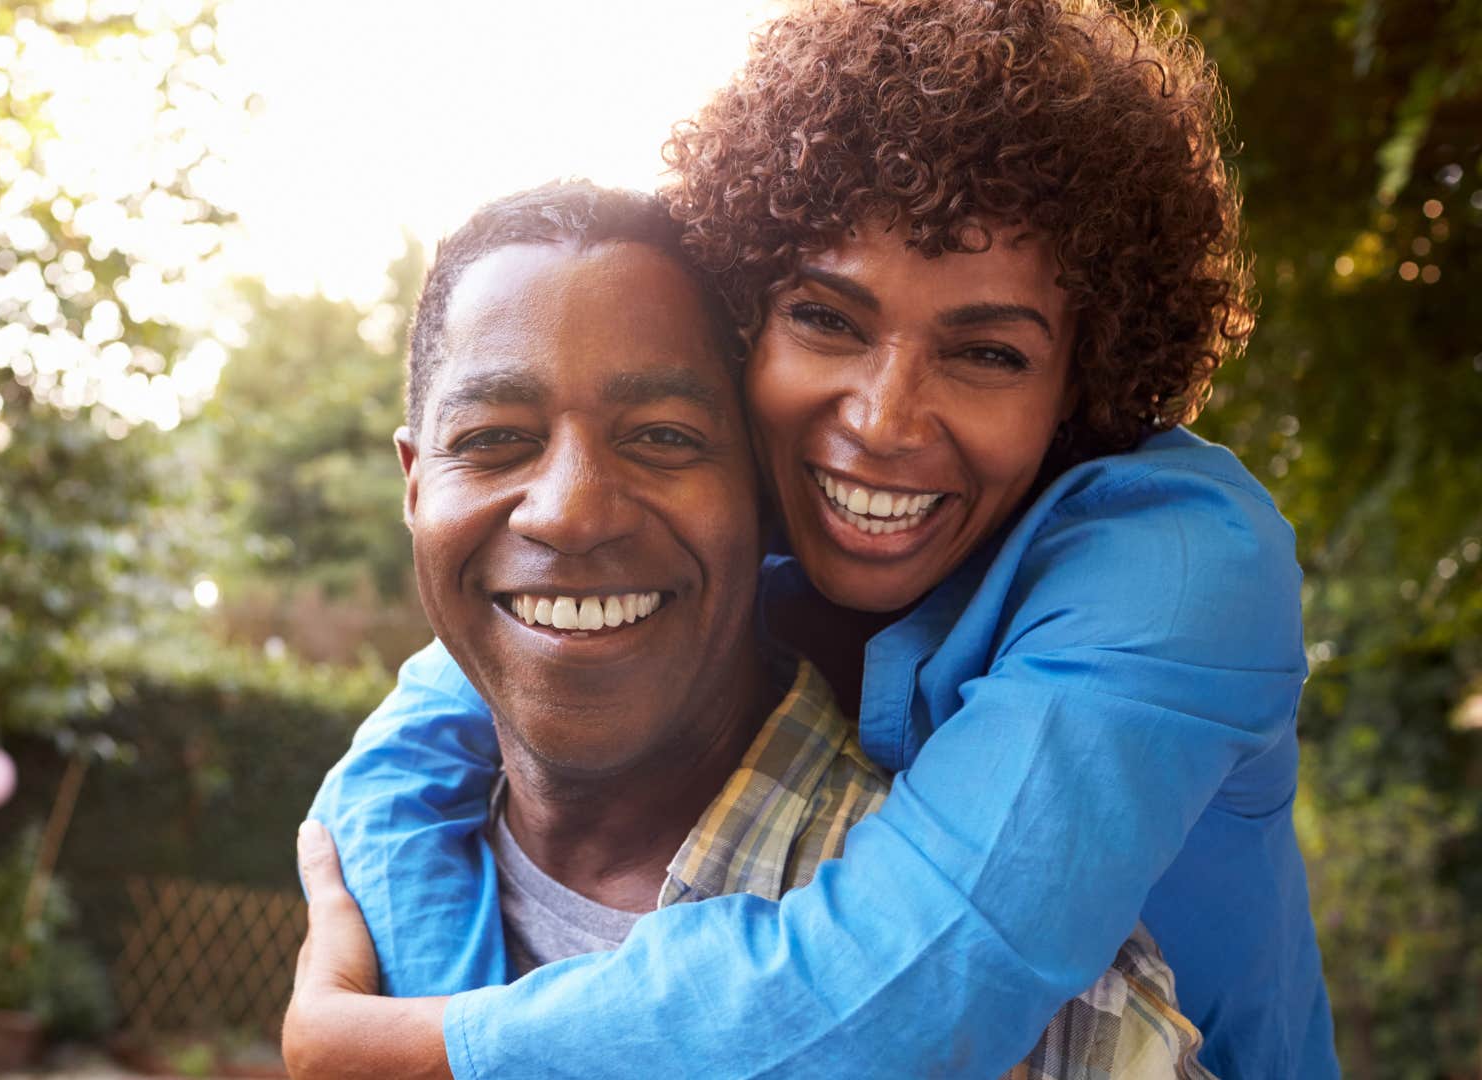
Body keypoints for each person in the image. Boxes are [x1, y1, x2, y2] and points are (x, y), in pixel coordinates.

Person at [289, 1, 1335, 1077]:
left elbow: (912, 983)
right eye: (827, 320)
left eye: (986, 353)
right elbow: (432, 725)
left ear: (1083, 378)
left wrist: (427, 1050)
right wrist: (417, 991)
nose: (881, 421)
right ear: (751, 320)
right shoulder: (759, 488)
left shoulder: (1177, 567)